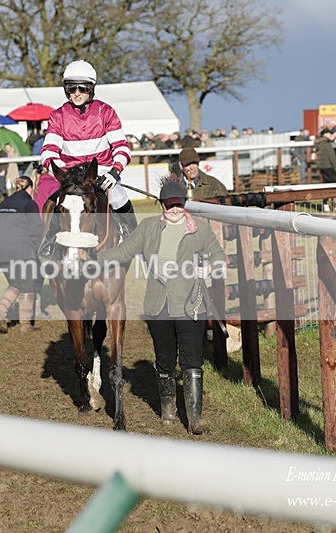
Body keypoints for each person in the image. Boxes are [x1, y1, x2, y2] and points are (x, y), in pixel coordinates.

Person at [93, 177, 226, 434]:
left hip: (190, 306)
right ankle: (168, 409)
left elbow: (219, 256)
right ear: (161, 204)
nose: (175, 209)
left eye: (180, 204)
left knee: (191, 361)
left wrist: (209, 267)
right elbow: (123, 252)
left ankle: (195, 417)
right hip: (158, 306)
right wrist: (92, 257)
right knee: (165, 361)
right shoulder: (148, 227)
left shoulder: (200, 228)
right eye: (170, 204)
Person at [40, 59, 137, 259]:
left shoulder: (106, 112)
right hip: (71, 176)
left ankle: (134, 239)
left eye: (82, 88)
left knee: (120, 197)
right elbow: (49, 150)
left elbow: (121, 147)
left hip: (100, 172)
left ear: (91, 89)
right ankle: (49, 242)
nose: (76, 92)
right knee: (53, 204)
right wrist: (58, 172)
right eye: (71, 88)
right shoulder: (57, 116)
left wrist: (115, 170)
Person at [0, 176, 43, 334]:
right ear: (30, 188)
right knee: (27, 286)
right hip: (22, 251)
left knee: (16, 284)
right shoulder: (29, 203)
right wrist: (36, 250)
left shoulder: (3, 204)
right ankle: (26, 325)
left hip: (1, 251)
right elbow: (36, 231)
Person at [313, 128, 336, 212]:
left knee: (326, 186)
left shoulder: (318, 143)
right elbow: (332, 157)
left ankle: (325, 205)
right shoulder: (327, 144)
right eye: (328, 133)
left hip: (322, 167)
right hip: (329, 167)